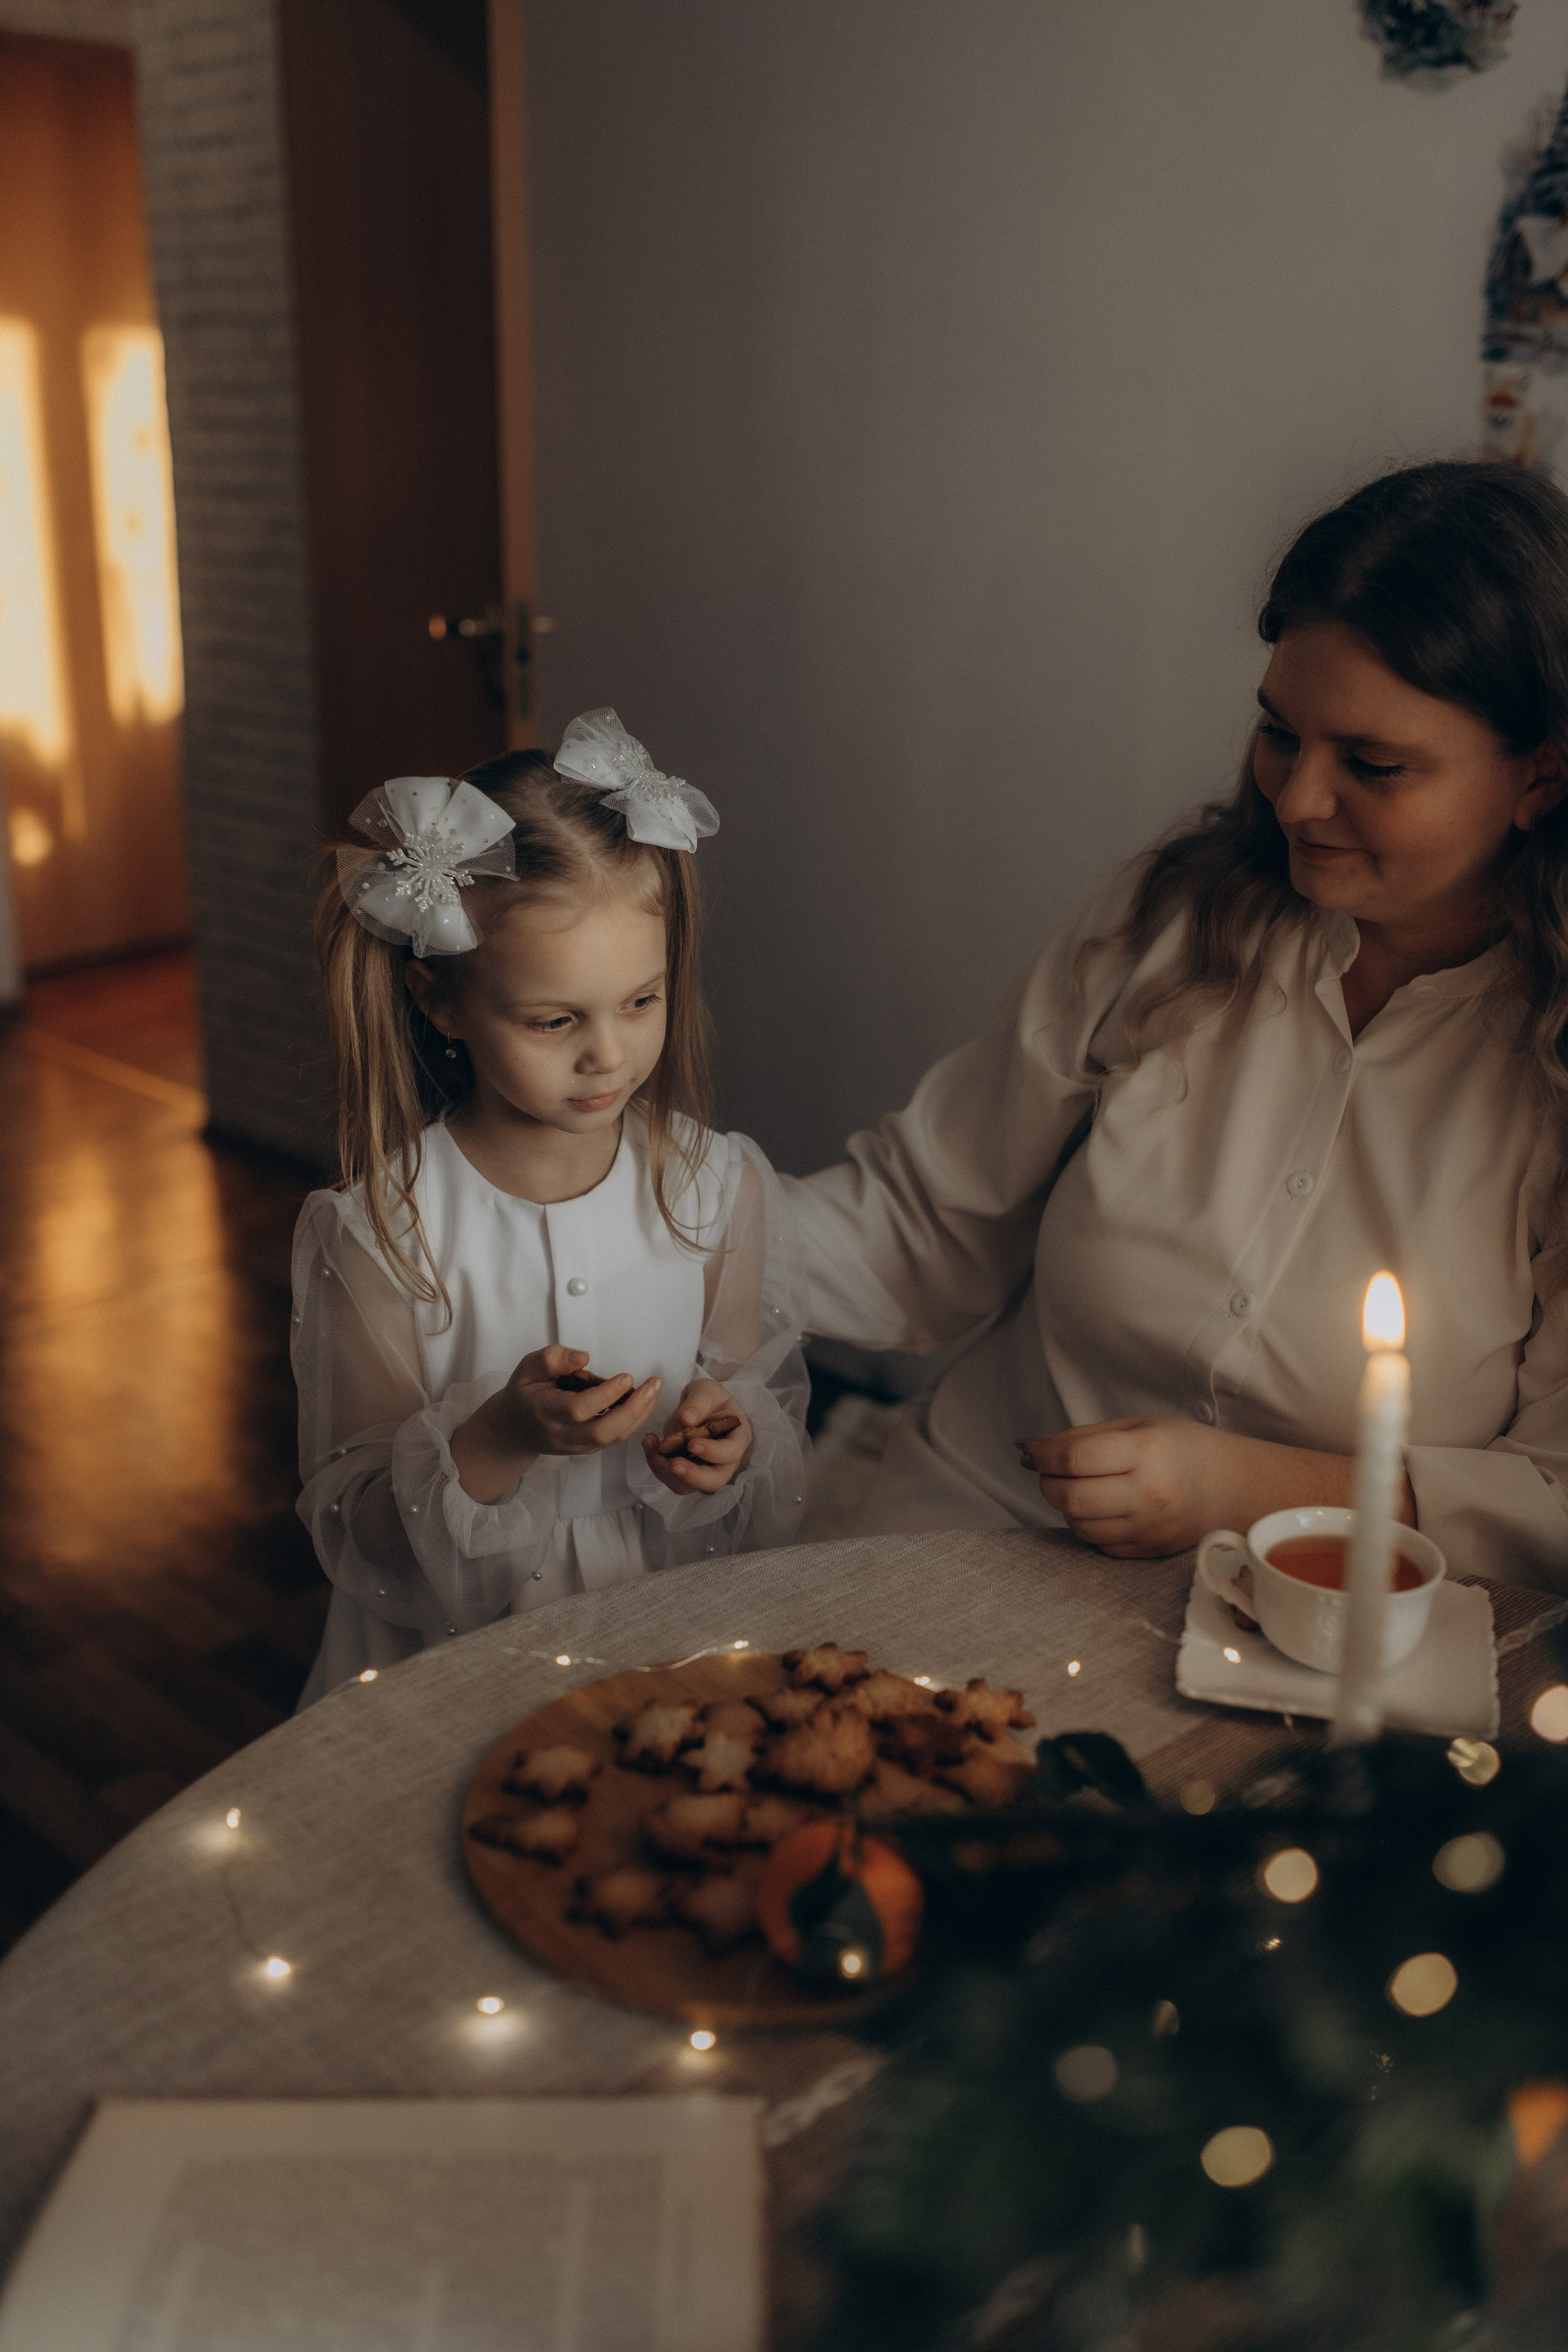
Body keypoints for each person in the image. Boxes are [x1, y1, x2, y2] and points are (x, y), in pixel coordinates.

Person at [786, 462, 1568, 1587]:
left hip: (1327, 1624)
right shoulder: (1177, 922)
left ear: (1540, 780)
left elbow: (1554, 1494)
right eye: (1279, 734)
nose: (1297, 799)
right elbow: (923, 1220)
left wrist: (1247, 1489)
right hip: (979, 1526)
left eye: (1374, 765)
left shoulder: (1551, 1074)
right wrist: (643, 1234)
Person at [292, 710, 808, 1703]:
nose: (607, 1055)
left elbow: (750, 1396)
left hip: (665, 1630)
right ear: (439, 1001)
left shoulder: (716, 1187)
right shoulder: (380, 1232)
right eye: (555, 1019)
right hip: (453, 1663)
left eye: (641, 1003)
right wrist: (499, 1438)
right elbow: (357, 1528)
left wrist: (726, 1436)